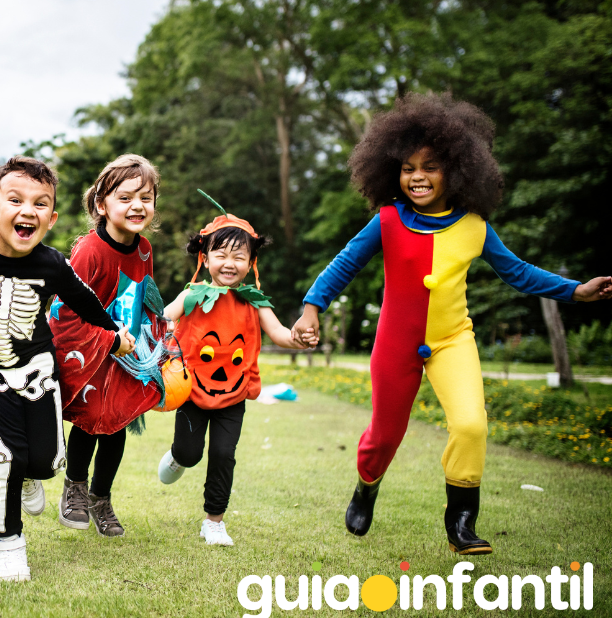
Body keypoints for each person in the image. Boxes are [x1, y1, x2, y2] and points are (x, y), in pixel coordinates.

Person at [291, 93, 612, 555]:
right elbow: (343, 265)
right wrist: (311, 308)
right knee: (384, 434)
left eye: (430, 167)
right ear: (392, 172)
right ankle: (366, 487)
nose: (417, 177)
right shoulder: (386, 220)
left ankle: (461, 521)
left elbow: (518, 272)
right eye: (407, 168)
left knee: (470, 425)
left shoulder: (475, 226)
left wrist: (575, 289)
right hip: (395, 344)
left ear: (458, 170)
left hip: (452, 340)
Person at [0, 155, 135, 582]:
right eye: (16, 200)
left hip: (40, 370)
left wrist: (115, 334)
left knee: (45, 460)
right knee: (3, 456)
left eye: (40, 204)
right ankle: (7, 542)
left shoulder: (52, 264)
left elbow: (86, 303)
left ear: (52, 217)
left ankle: (29, 476)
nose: (28, 210)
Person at [156, 207, 308, 547]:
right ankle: (180, 457)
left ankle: (214, 521)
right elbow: (162, 318)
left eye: (239, 256)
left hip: (233, 394)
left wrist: (298, 337)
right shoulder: (192, 295)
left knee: (224, 454)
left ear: (251, 261)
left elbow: (280, 333)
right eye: (220, 254)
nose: (229, 263)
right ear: (204, 258)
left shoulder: (254, 302)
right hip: (192, 391)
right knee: (190, 452)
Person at [49, 154, 167, 537]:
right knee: (90, 421)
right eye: (126, 197)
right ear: (102, 204)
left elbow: (143, 297)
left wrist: (157, 340)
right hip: (89, 352)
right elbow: (66, 311)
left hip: (126, 355)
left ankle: (101, 497)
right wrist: (107, 340)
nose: (137, 206)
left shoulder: (144, 249)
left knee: (117, 424)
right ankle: (75, 487)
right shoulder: (89, 251)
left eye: (146, 198)